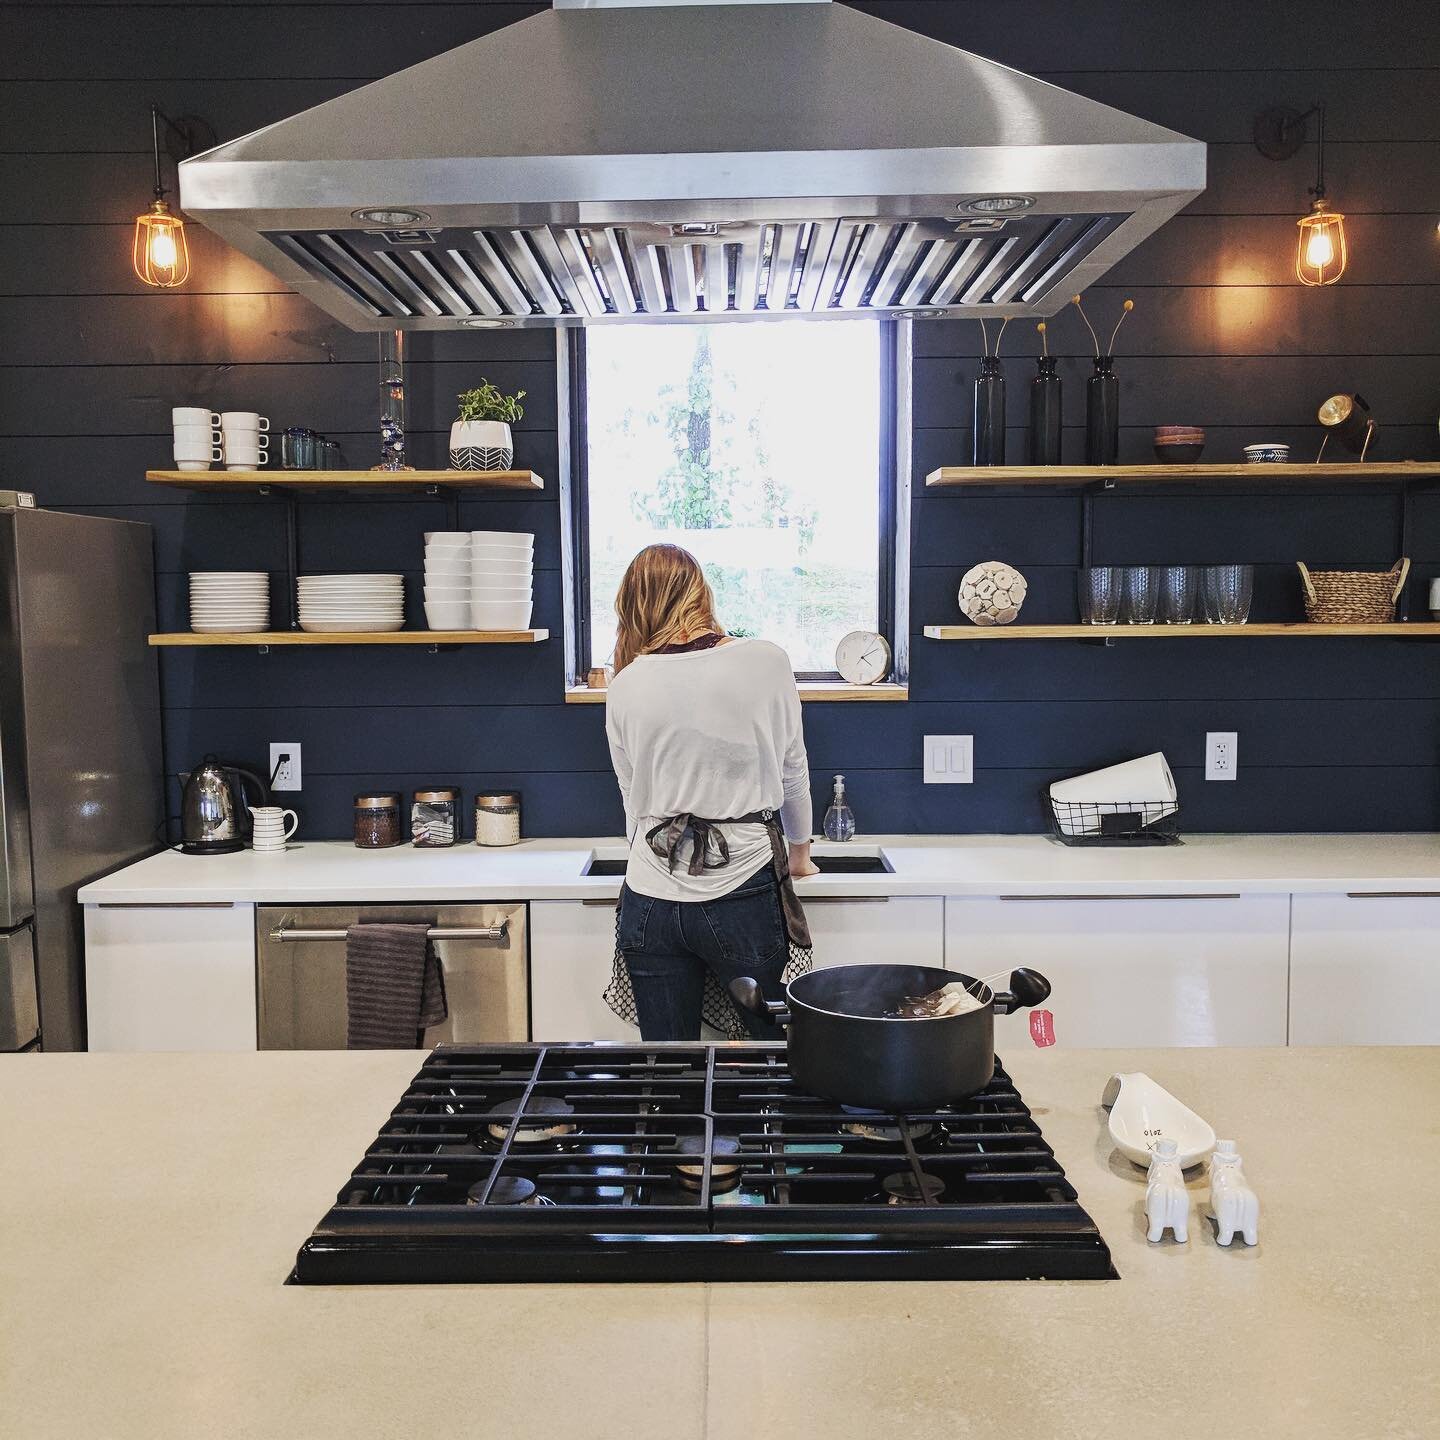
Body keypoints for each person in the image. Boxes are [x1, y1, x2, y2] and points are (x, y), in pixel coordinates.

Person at [602, 543, 817, 1041]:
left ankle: (669, 1120)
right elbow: (792, 772)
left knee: (667, 1062)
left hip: (650, 898)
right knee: (769, 1054)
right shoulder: (766, 660)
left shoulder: (626, 683)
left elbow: (632, 802)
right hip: (742, 889)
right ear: (700, 592)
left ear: (632, 605)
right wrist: (801, 854)